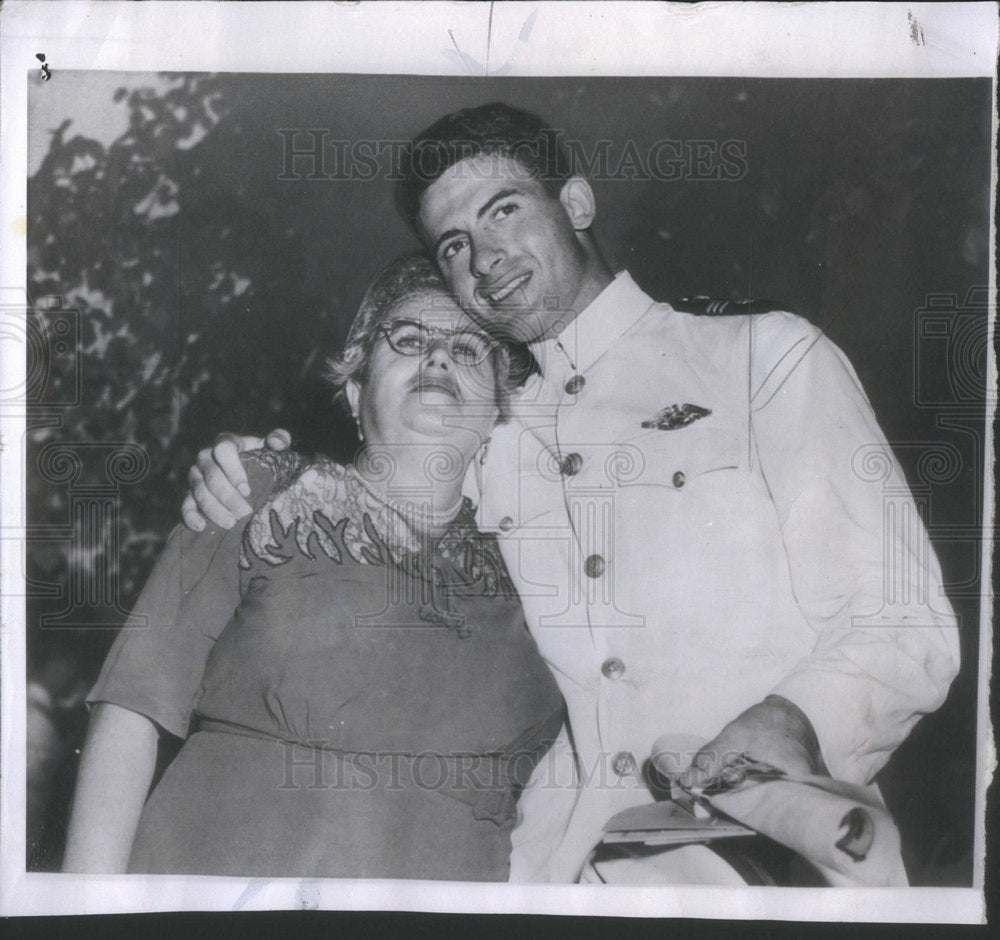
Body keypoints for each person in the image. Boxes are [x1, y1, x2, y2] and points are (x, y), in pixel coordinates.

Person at [182, 103, 960, 884]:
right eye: (454, 245)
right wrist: (253, 468)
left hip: (769, 866)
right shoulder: (489, 434)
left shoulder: (763, 360)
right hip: (558, 874)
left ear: (578, 205)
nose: (484, 259)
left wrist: (790, 721)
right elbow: (376, 491)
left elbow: (904, 624)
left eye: (504, 211)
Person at [62, 253, 564, 880]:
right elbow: (131, 712)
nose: (437, 358)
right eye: (407, 340)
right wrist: (84, 909)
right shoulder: (255, 490)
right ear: (355, 390)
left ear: (497, 414)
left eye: (468, 352)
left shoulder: (540, 565)